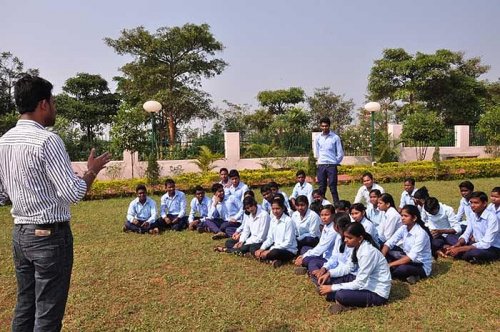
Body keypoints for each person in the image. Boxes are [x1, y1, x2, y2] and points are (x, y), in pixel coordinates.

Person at [0, 75, 111, 331]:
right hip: (49, 238)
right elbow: (73, 193)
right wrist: (91, 171)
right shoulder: (48, 141)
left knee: (25, 305)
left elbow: (3, 195)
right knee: (48, 314)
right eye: (53, 102)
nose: (55, 108)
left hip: (21, 235)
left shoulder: (3, 141)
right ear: (43, 104)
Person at [318, 222, 391, 314]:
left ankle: (344, 303)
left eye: (349, 237)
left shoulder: (367, 253)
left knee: (341, 294)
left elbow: (359, 283)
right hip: (365, 284)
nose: (345, 240)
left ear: (360, 238)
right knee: (331, 281)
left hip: (376, 293)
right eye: (345, 237)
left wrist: (332, 288)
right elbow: (349, 268)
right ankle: (339, 298)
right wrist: (329, 273)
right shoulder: (357, 247)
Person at [381, 205, 434, 284]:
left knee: (402, 269)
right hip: (406, 256)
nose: (402, 218)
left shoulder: (420, 234)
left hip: (420, 265)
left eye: (406, 216)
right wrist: (381, 260)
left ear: (414, 218)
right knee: (383, 247)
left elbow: (410, 257)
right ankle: (404, 275)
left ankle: (412, 275)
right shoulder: (403, 228)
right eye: (402, 215)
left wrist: (389, 265)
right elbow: (389, 243)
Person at [446, 191, 500, 263]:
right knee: (449, 237)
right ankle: (463, 253)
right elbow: (467, 233)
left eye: (476, 203)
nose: (472, 205)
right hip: (476, 244)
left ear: (484, 204)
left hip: (492, 247)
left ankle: (464, 254)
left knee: (474, 253)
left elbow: (486, 243)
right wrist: (457, 245)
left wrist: (460, 249)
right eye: (471, 202)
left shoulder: (492, 218)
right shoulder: (472, 214)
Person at [293, 206, 338, 275]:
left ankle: (313, 271)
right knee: (304, 248)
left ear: (333, 215)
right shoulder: (326, 225)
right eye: (322, 215)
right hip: (322, 254)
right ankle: (310, 268)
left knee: (310, 261)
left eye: (326, 215)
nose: (323, 217)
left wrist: (304, 256)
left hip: (328, 258)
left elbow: (323, 247)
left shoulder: (334, 229)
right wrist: (305, 254)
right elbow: (320, 244)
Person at [255, 197, 298, 268]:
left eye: (277, 208)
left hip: (288, 250)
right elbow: (270, 238)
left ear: (283, 208)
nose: (275, 211)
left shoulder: (288, 221)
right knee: (255, 248)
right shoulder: (273, 220)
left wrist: (270, 250)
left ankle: (270, 259)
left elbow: (288, 242)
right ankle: (275, 260)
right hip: (275, 247)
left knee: (274, 253)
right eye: (273, 209)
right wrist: (262, 248)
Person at [314, 117, 344, 203]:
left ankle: (337, 206)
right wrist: (319, 161)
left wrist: (335, 162)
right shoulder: (318, 137)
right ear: (320, 126)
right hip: (321, 165)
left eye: (326, 126)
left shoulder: (335, 137)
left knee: (333, 187)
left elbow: (340, 153)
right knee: (321, 188)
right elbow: (316, 151)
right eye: (322, 126)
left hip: (331, 165)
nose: (324, 128)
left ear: (329, 126)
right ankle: (320, 206)